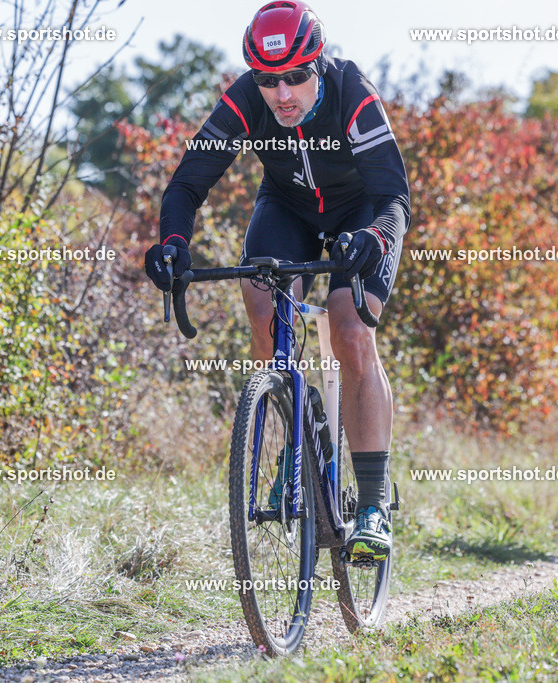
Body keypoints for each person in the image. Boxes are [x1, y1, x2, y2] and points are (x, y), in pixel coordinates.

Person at [144, 0, 410, 560]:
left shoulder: (352, 93)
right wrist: (172, 244)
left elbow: (393, 197)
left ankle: (372, 503)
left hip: (361, 213)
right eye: (269, 80)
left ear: (318, 64)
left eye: (296, 77)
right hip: (288, 207)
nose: (283, 94)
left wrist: (376, 240)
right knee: (262, 301)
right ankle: (299, 425)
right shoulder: (245, 100)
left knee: (349, 327)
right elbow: (187, 184)